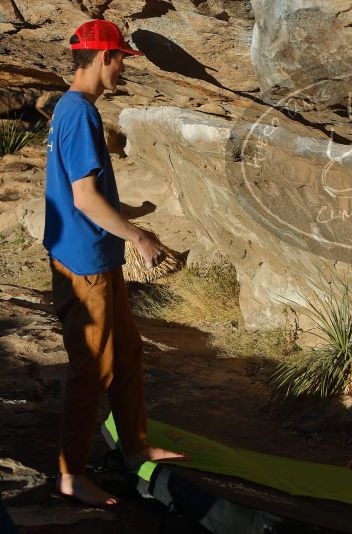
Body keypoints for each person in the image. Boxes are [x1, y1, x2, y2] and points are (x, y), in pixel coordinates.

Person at [43, 19, 188, 507]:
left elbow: (79, 192)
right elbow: (84, 198)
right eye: (122, 58)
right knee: (93, 369)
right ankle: (71, 475)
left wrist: (126, 215)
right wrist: (138, 236)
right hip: (85, 264)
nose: (124, 66)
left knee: (126, 356)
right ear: (104, 57)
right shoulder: (80, 113)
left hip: (95, 258)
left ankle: (135, 448)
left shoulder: (68, 108)